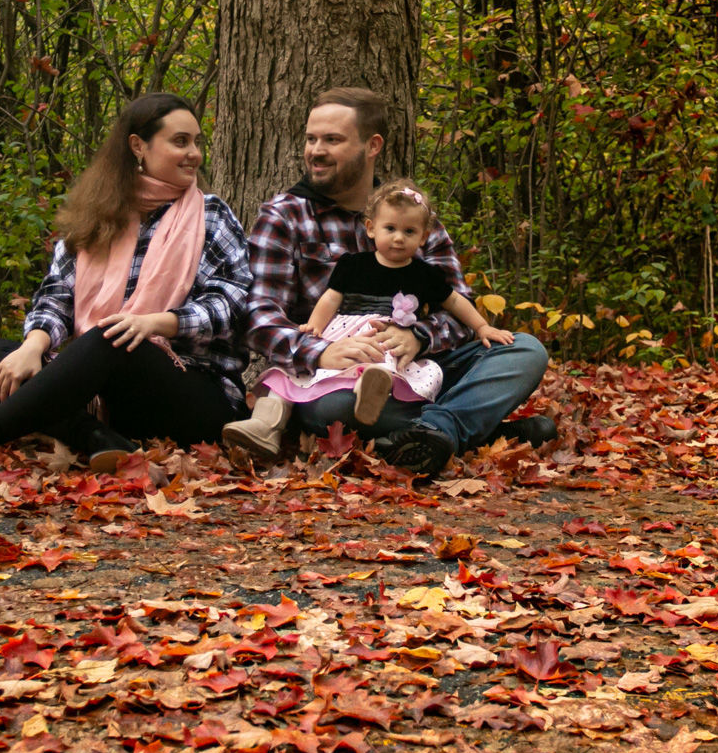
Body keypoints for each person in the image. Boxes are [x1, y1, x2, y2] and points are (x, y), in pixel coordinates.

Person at [0, 93, 250, 482]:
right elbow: (56, 295)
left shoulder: (211, 214)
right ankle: (98, 436)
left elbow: (230, 303)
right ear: (138, 147)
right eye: (180, 141)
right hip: (104, 386)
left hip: (193, 392)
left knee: (111, 336)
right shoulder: (99, 212)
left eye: (197, 142)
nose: (194, 153)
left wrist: (156, 323)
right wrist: (34, 345)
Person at [223, 87, 555, 477]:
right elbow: (259, 317)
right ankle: (472, 430)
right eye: (311, 139)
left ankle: (437, 430)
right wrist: (319, 351)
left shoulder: (412, 217)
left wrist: (420, 337)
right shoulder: (286, 216)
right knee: (335, 410)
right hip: (335, 378)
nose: (315, 150)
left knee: (526, 351)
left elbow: (458, 306)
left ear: (372, 145)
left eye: (332, 139)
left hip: (421, 367)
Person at [260, 179, 517, 427]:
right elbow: (330, 298)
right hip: (343, 336)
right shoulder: (353, 264)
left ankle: (371, 391)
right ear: (371, 228)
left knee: (382, 361)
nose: (398, 238)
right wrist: (314, 327)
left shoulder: (424, 274)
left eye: (409, 232)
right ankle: (266, 423)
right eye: (390, 229)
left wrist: (482, 327)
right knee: (297, 375)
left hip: (388, 340)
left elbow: (455, 302)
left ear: (424, 237)